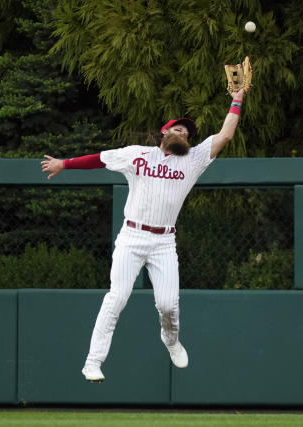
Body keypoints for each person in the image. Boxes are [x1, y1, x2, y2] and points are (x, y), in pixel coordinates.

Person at [41, 87, 246, 382]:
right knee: (117, 298)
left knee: (167, 304)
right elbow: (100, 158)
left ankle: (171, 340)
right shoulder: (137, 155)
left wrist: (237, 98)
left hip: (163, 241)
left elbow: (225, 135)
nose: (184, 134)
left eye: (188, 134)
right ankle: (93, 361)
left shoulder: (193, 160)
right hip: (132, 237)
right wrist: (65, 164)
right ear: (164, 133)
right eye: (178, 129)